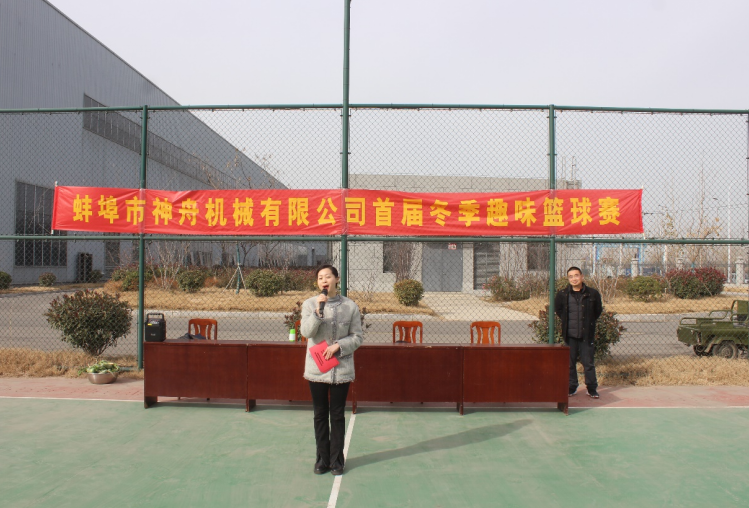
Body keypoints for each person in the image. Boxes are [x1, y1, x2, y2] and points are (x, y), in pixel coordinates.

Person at [300, 264, 363, 476]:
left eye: (328, 276)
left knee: (337, 415)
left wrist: (339, 346)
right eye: (320, 278)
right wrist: (318, 312)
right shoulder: (310, 304)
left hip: (341, 368)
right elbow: (306, 332)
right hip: (317, 367)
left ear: (337, 279)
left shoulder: (350, 306)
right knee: (319, 414)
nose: (324, 281)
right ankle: (321, 459)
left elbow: (357, 337)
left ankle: (336, 461)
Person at [554, 266, 603, 399]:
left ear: (582, 276)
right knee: (570, 364)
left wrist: (588, 323)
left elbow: (597, 311)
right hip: (570, 335)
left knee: (588, 364)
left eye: (576, 275)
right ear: (568, 279)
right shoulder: (562, 294)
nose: (574, 279)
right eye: (571, 276)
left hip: (586, 335)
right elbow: (559, 311)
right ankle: (572, 387)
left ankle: (591, 389)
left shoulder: (592, 294)